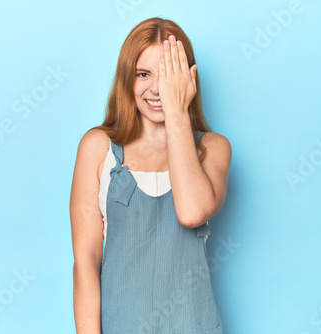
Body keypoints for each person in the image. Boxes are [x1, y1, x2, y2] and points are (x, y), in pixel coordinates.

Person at [69, 17, 231, 333]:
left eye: (168, 75)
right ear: (127, 79)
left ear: (188, 78)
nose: (156, 88)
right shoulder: (97, 147)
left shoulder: (213, 149)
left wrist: (177, 112)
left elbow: (191, 213)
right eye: (143, 74)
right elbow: (86, 261)